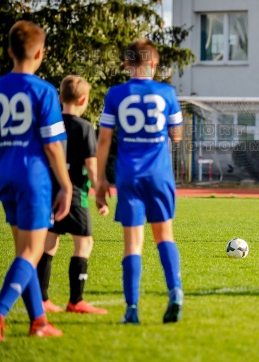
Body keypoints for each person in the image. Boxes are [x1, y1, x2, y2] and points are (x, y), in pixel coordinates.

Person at [0, 20, 71, 341]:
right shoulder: (44, 91)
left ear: (9, 52)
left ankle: (39, 322)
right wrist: (66, 184)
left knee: (24, 251)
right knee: (31, 251)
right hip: (34, 176)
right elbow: (52, 145)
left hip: (4, 173)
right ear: (40, 53)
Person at [95, 39, 184, 324]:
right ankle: (176, 294)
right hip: (159, 174)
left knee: (133, 244)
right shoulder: (167, 92)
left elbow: (105, 139)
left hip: (128, 175)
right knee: (164, 237)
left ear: (126, 64)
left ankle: (132, 309)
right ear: (154, 64)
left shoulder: (115, 94)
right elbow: (177, 135)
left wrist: (99, 179)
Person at [37, 75, 108, 314]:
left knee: (49, 241)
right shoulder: (85, 127)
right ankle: (76, 300)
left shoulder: (50, 124)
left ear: (60, 98)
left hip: (51, 192)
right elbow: (91, 166)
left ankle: (43, 298)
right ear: (84, 99)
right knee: (84, 243)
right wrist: (99, 193)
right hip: (76, 194)